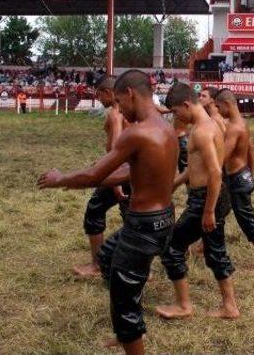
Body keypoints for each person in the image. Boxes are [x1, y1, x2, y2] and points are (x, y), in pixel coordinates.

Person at [37, 69, 178, 354]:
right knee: (109, 258)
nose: (119, 109)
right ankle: (128, 335)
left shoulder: (136, 133)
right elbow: (128, 171)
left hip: (142, 227)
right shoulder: (166, 127)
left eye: (119, 102)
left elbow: (93, 175)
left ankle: (130, 334)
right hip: (163, 219)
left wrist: (60, 179)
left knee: (124, 299)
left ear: (130, 94)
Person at [156, 83, 239, 320]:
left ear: (186, 105)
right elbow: (197, 167)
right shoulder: (213, 124)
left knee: (172, 248)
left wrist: (209, 211)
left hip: (205, 199)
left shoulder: (201, 131)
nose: (176, 117)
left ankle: (184, 305)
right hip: (217, 194)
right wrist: (175, 183)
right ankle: (230, 306)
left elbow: (214, 171)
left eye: (175, 111)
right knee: (215, 249)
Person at [72, 76, 128, 278]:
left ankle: (96, 265)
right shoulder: (130, 111)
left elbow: (115, 148)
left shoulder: (115, 114)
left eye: (99, 94)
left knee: (94, 210)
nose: (98, 99)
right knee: (131, 218)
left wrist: (114, 179)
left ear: (108, 93)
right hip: (132, 169)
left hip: (120, 171)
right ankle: (138, 267)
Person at [215, 89, 254, 273]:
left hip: (238, 179)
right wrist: (251, 174)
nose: (217, 109)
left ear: (227, 104)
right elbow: (250, 151)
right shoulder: (242, 123)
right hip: (241, 175)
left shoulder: (234, 127)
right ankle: (204, 245)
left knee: (246, 219)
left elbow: (223, 156)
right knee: (220, 212)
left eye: (218, 106)